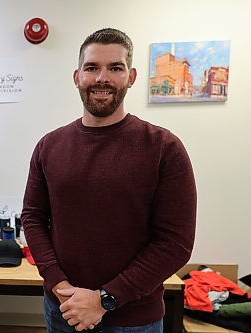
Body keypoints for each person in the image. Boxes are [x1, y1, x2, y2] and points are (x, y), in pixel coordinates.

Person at [21, 28, 197, 333]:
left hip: (133, 320)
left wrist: (105, 299)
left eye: (115, 68)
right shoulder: (49, 146)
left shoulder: (164, 148)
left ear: (131, 76)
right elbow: (33, 217)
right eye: (92, 68)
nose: (102, 78)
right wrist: (58, 283)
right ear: (77, 76)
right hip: (62, 309)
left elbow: (175, 243)